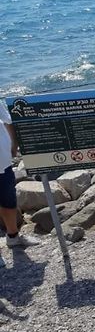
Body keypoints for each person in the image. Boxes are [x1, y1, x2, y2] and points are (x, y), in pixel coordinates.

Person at [0, 99, 39, 250]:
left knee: (8, 201)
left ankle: (13, 237)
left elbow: (8, 121)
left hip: (2, 162)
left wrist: (14, 145)